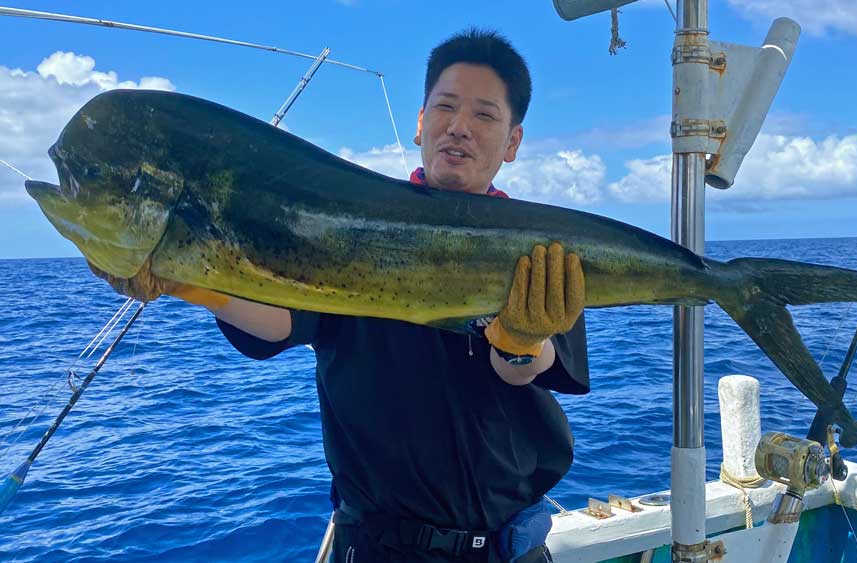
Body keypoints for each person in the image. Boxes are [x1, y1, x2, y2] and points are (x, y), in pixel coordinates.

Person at [93, 29, 589, 563]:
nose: (459, 127)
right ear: (421, 121)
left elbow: (528, 368)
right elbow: (282, 319)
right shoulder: (347, 232)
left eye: (485, 116)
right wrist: (190, 282)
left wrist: (520, 340)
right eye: (445, 107)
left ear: (513, 141)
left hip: (510, 551)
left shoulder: (540, 256)